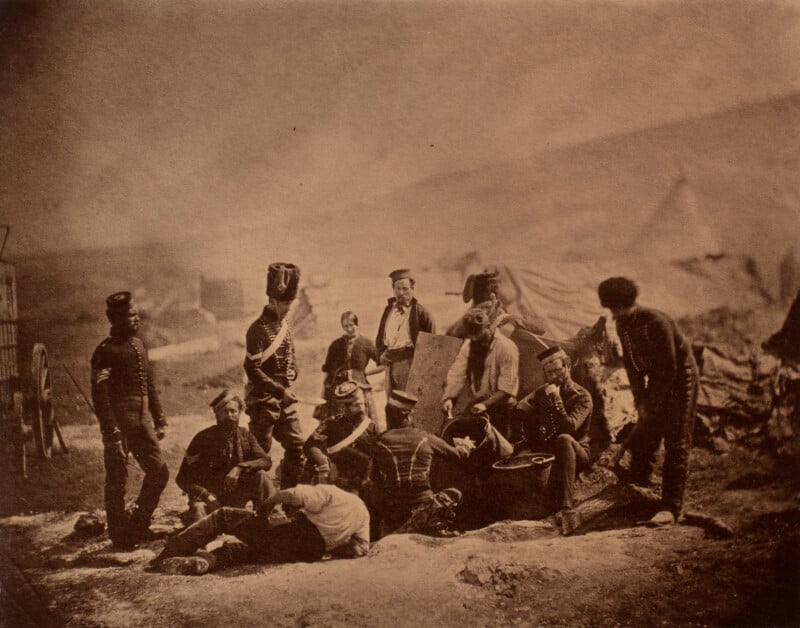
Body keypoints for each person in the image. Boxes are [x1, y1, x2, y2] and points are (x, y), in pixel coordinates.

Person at [151, 452, 371, 575]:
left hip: (289, 537)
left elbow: (290, 494)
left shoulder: (331, 492)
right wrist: (332, 543)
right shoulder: (362, 512)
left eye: (331, 467)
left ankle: (165, 555)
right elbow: (360, 548)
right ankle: (204, 562)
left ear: (344, 474)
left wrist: (266, 508)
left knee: (224, 516)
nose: (328, 470)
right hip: (305, 553)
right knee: (242, 550)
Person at [598, 277, 699, 526]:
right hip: (657, 380)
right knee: (645, 432)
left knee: (676, 440)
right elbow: (632, 369)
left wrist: (652, 403)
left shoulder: (656, 322)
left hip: (680, 378)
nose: (613, 315)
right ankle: (639, 490)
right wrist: (640, 401)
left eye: (615, 309)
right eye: (610, 310)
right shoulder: (622, 327)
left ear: (627, 303)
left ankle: (671, 507)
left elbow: (669, 368)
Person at [90, 291, 169, 550]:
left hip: (142, 422)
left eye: (137, 313)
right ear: (115, 319)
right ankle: (120, 536)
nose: (137, 319)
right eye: (131, 315)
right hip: (118, 425)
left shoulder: (139, 345)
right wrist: (110, 429)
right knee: (117, 479)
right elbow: (100, 396)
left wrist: (159, 418)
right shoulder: (104, 352)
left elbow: (150, 384)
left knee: (159, 472)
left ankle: (139, 525)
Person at [513, 346, 593, 531]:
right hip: (549, 450)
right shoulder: (542, 391)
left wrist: (557, 401)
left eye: (557, 370)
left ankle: (565, 508)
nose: (554, 376)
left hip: (576, 452)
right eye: (549, 372)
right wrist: (522, 444)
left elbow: (570, 427)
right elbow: (519, 410)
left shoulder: (582, 396)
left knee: (564, 439)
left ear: (567, 367)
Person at [243, 262, 305, 489]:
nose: (289, 309)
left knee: (297, 447)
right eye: (286, 305)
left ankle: (288, 496)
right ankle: (259, 501)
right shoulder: (256, 330)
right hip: (263, 401)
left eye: (291, 304)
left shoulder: (284, 325)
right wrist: (280, 390)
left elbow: (290, 351)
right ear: (273, 302)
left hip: (285, 398)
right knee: (259, 455)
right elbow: (252, 369)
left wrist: (293, 369)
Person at [370, 390, 465, 536]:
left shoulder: (379, 441)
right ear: (408, 415)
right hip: (423, 504)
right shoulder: (425, 437)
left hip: (393, 508)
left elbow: (375, 479)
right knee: (455, 493)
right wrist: (464, 446)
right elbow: (458, 456)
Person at [175, 390, 277, 525]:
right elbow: (182, 479)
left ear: (239, 412)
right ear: (217, 414)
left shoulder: (245, 435)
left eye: (233, 411)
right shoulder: (203, 438)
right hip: (210, 499)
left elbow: (265, 461)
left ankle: (270, 521)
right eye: (224, 412)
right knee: (198, 513)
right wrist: (206, 496)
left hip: (236, 496)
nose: (229, 416)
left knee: (261, 476)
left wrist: (239, 467)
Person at [441, 308, 519, 438]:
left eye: (478, 334)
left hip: (501, 406)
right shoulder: (469, 345)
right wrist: (449, 397)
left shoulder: (507, 348)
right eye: (472, 335)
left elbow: (507, 388)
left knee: (500, 445)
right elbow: (457, 374)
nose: (475, 339)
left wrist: (485, 404)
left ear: (489, 327)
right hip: (478, 405)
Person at [304, 381, 377, 486]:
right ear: (344, 407)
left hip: (361, 477)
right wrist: (324, 463)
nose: (361, 408)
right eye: (356, 405)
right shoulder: (332, 423)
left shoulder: (371, 426)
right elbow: (310, 445)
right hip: (337, 475)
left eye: (362, 404)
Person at [375, 269, 435, 392]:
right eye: (397, 289)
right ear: (393, 289)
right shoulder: (388, 311)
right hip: (390, 365)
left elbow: (432, 343)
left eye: (405, 289)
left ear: (412, 288)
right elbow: (380, 337)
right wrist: (381, 355)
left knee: (409, 403)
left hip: (411, 364)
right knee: (392, 405)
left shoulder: (421, 313)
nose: (401, 293)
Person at [321, 311, 382, 423]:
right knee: (338, 420)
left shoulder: (367, 343)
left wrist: (367, 373)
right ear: (342, 326)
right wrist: (325, 393)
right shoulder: (335, 345)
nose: (349, 329)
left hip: (360, 385)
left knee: (364, 418)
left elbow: (383, 364)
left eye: (351, 325)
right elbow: (328, 370)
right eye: (345, 326)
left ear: (356, 324)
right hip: (338, 388)